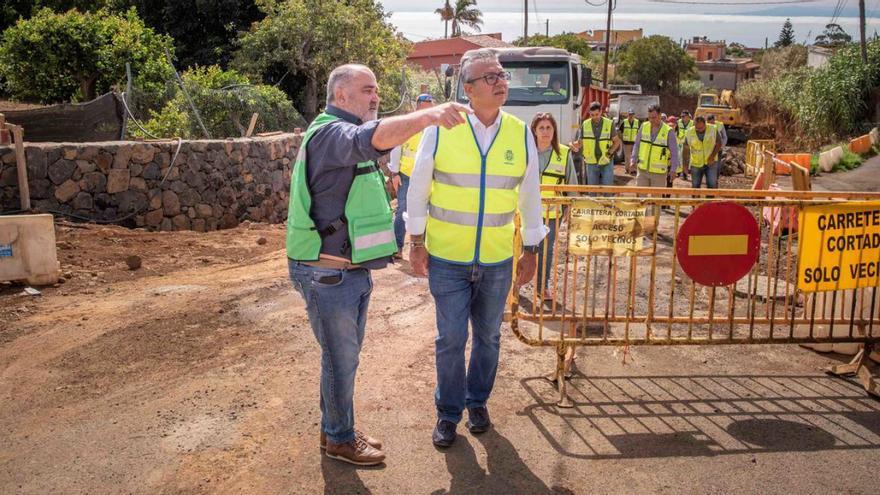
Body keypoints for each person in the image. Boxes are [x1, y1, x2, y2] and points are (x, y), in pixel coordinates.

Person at [286, 63, 471, 466]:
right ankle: (339, 437)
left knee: (339, 359)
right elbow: (371, 137)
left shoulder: (338, 133)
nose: (375, 96)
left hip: (344, 272)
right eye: (367, 90)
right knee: (341, 360)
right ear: (341, 97)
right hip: (327, 274)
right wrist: (429, 114)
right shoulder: (333, 133)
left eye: (376, 89)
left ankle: (334, 426)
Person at [405, 48, 546, 448]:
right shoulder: (440, 127)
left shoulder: (520, 131)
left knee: (488, 337)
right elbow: (419, 188)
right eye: (490, 77)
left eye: (502, 75)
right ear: (468, 88)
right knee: (450, 339)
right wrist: (416, 241)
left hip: (498, 259)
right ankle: (448, 413)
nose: (501, 82)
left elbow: (530, 194)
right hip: (448, 257)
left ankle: (477, 401)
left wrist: (532, 247)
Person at [531, 112, 579, 302]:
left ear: (554, 131)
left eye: (548, 128)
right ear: (534, 130)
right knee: (521, 248)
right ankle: (516, 284)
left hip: (552, 213)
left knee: (546, 251)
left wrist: (570, 205)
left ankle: (542, 287)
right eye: (541, 128)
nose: (545, 132)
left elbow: (571, 183)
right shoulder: (526, 151)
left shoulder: (563, 153)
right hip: (526, 212)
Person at [388, 93, 434, 257]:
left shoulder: (435, 125)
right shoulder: (408, 123)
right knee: (402, 210)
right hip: (406, 174)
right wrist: (394, 173)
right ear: (418, 104)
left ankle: (428, 248)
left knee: (430, 212)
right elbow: (396, 147)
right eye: (425, 102)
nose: (428, 105)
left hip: (428, 175)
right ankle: (397, 247)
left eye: (430, 102)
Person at [630, 104, 680, 216]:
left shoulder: (668, 131)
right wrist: (633, 159)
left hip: (659, 174)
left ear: (660, 116)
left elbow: (674, 153)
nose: (651, 120)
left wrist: (673, 170)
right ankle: (642, 225)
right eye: (649, 117)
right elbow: (637, 145)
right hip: (642, 170)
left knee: (656, 202)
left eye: (654, 117)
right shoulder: (644, 126)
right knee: (641, 200)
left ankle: (653, 227)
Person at [581, 101, 621, 186]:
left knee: (607, 190)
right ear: (589, 114)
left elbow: (617, 142)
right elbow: (580, 142)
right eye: (592, 115)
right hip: (591, 162)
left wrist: (609, 154)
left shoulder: (609, 124)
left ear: (601, 112)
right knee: (592, 190)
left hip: (606, 162)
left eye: (597, 114)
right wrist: (573, 145)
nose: (595, 117)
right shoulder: (585, 124)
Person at [682, 115, 722, 189]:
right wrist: (685, 165)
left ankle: (710, 200)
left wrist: (712, 156)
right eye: (697, 128)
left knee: (712, 184)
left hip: (711, 163)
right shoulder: (689, 132)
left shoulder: (713, 129)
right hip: (696, 163)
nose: (699, 130)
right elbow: (686, 149)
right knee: (695, 186)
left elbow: (719, 143)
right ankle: (696, 200)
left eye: (701, 128)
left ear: (705, 124)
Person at [619, 109, 640, 175]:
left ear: (634, 115)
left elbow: (639, 132)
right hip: (626, 143)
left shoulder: (637, 122)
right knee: (627, 157)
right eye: (630, 114)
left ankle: (634, 170)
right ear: (628, 115)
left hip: (634, 143)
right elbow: (620, 132)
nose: (631, 116)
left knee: (635, 156)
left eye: (632, 114)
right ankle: (627, 169)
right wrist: (622, 138)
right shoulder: (624, 122)